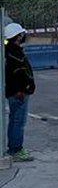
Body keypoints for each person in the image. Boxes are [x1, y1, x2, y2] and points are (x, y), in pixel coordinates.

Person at [4, 23, 34, 162]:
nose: (23, 36)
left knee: (14, 120)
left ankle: (13, 147)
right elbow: (17, 74)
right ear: (18, 36)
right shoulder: (14, 53)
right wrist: (21, 90)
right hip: (18, 93)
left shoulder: (9, 50)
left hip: (15, 92)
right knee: (18, 121)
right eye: (21, 34)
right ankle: (16, 149)